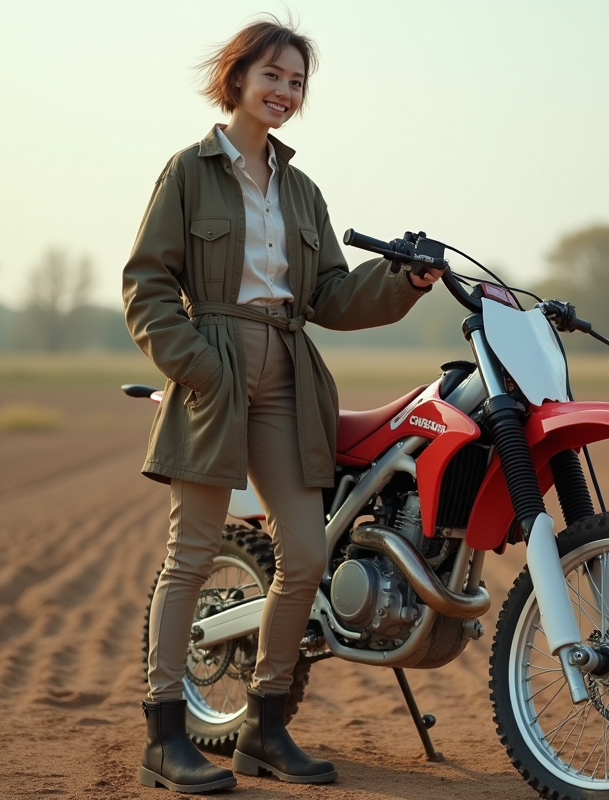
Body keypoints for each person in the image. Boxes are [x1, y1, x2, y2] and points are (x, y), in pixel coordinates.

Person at [122, 16, 441, 794]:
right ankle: (165, 735)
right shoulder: (189, 172)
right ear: (237, 79)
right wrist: (198, 366)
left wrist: (404, 280)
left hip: (290, 378)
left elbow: (330, 293)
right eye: (272, 76)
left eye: (297, 82)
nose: (285, 92)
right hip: (217, 373)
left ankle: (264, 726)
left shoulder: (302, 191)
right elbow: (146, 284)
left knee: (303, 556)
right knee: (190, 556)